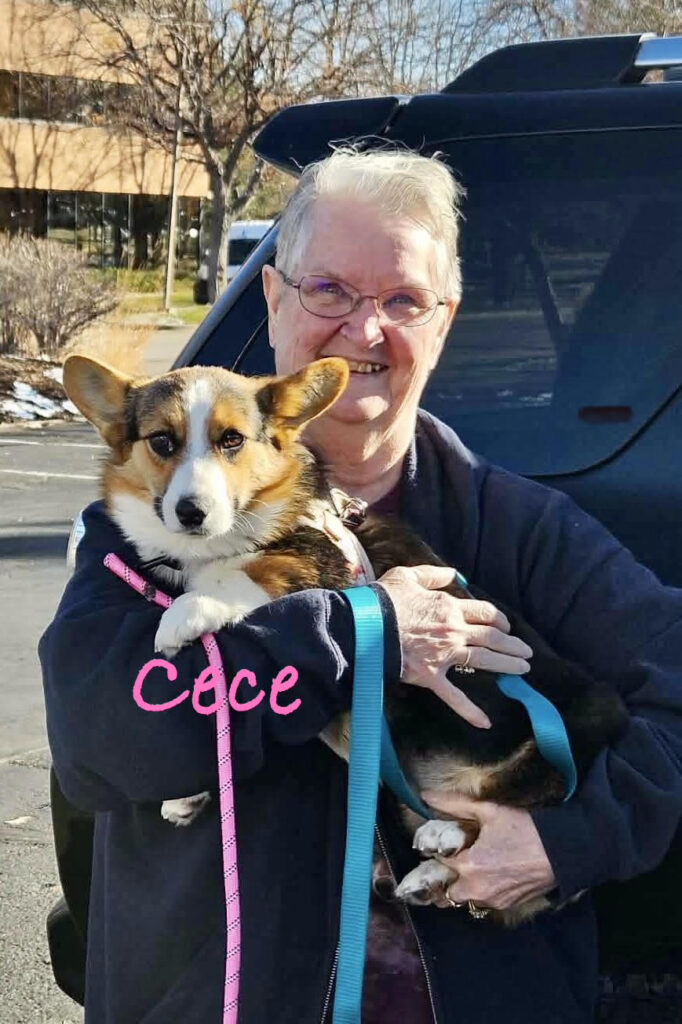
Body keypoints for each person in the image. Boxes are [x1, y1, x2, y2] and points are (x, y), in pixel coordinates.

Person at [40, 149, 682, 1024]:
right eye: (330, 290)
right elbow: (96, 743)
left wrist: (563, 843)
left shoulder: (522, 529)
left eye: (404, 300)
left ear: (446, 321)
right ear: (273, 299)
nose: (365, 329)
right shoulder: (146, 533)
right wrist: (360, 633)